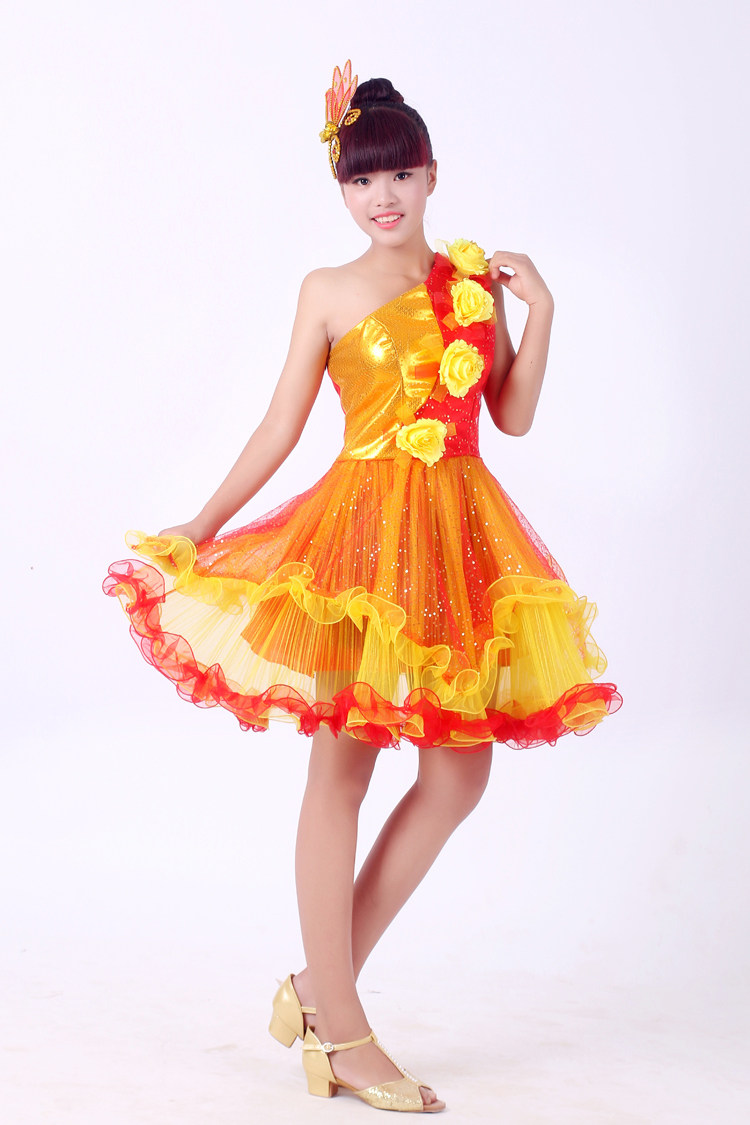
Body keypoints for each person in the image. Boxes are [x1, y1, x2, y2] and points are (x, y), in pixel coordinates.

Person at [104, 61, 621, 1114]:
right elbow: (279, 425)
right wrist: (202, 524)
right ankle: (341, 1029)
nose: (381, 196)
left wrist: (542, 312)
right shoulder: (328, 291)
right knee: (342, 770)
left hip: (458, 541)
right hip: (362, 547)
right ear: (341, 187)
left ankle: (315, 988)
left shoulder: (472, 286)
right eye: (360, 179)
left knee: (459, 776)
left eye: (398, 174)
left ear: (431, 176)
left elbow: (511, 417)